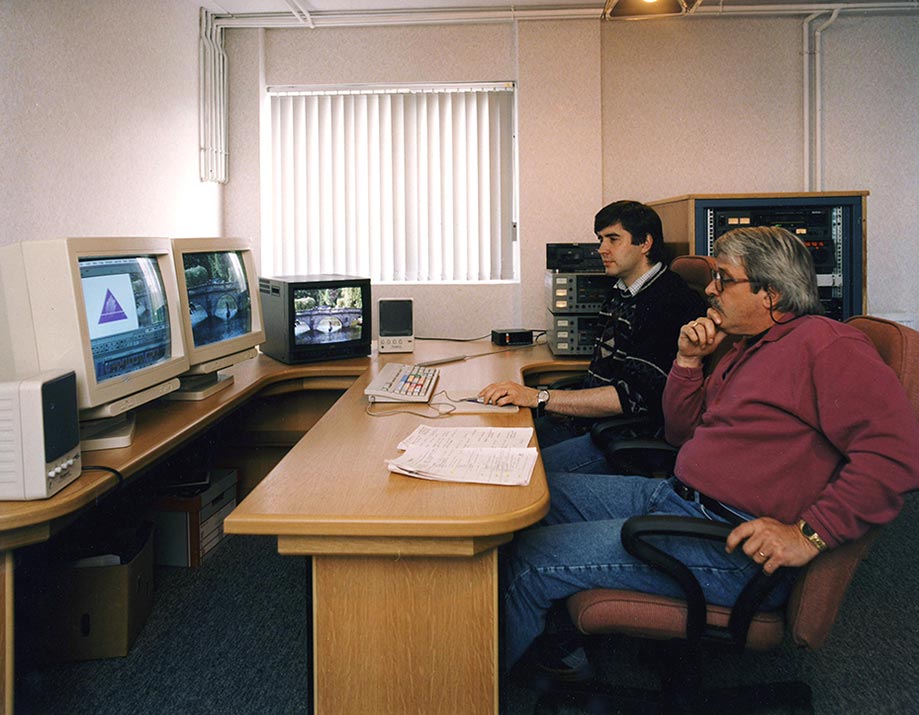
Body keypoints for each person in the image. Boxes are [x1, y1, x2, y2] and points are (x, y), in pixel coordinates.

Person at [503, 225, 919, 679]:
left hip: (730, 543)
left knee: (532, 559)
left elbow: (898, 455)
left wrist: (808, 535)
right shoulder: (748, 347)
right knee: (531, 495)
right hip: (679, 499)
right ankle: (548, 639)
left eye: (724, 278)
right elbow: (683, 435)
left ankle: (472, 689)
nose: (710, 289)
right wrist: (687, 362)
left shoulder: (826, 345)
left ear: (772, 294)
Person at [479, 200, 706, 474]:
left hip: (620, 437)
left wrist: (541, 397)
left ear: (645, 243)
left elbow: (631, 398)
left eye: (613, 239)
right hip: (589, 423)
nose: (601, 249)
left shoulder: (669, 302)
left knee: (515, 469)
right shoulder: (622, 290)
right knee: (497, 443)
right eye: (600, 239)